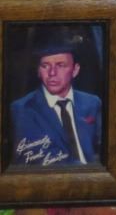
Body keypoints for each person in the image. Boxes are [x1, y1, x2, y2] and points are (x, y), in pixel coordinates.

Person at [9, 36, 101, 167]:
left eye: (60, 65)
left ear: (75, 70)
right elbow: (34, 160)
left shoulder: (92, 103)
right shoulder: (22, 109)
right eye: (45, 66)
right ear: (38, 71)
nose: (52, 73)